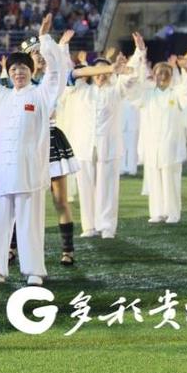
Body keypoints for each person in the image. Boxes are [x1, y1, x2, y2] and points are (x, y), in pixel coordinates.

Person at [0, 15, 64, 287]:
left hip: (29, 171)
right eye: (14, 70)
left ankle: (34, 269)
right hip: (1, 171)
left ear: (31, 71)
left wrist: (45, 39)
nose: (18, 73)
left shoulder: (42, 94)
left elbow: (56, 73)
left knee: (30, 222)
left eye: (23, 68)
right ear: (8, 74)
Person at [67, 36, 144, 238]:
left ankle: (107, 226)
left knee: (107, 187)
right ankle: (89, 226)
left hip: (108, 146)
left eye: (105, 71)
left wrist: (139, 53)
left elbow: (131, 77)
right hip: (84, 146)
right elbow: (70, 74)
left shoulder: (115, 89)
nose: (101, 75)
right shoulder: (82, 90)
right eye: (97, 71)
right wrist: (63, 46)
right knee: (85, 187)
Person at [131, 48, 187, 224]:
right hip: (152, 145)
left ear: (171, 75)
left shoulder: (176, 93)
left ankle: (173, 213)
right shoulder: (147, 94)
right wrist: (141, 57)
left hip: (171, 145)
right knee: (154, 179)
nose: (162, 76)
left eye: (166, 73)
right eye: (159, 73)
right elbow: (138, 84)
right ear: (154, 75)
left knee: (170, 180)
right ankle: (157, 212)